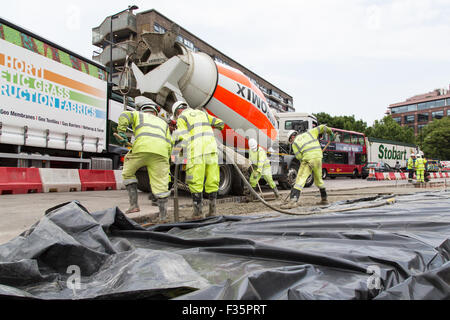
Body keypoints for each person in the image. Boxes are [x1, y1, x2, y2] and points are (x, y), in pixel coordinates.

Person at [116, 96, 172, 222]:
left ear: (142, 109)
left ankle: (134, 206)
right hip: (161, 153)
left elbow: (124, 115)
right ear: (155, 113)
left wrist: (121, 132)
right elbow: (170, 142)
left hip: (141, 149)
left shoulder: (138, 115)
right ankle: (163, 217)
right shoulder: (163, 123)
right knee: (161, 185)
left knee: (128, 172)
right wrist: (166, 159)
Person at [172, 101, 225, 219]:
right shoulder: (202, 114)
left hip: (196, 152)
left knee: (195, 181)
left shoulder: (182, 117)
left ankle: (198, 213)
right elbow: (220, 123)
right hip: (211, 150)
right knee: (213, 181)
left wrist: (175, 153)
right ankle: (212, 212)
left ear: (177, 112)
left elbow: (182, 137)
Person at [281, 124, 333, 209]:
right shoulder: (310, 133)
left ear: (292, 138)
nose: (291, 142)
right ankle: (324, 199)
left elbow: (299, 157)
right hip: (318, 157)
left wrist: (304, 163)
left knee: (300, 180)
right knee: (319, 179)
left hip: (308, 159)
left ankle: (293, 201)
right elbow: (322, 127)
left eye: (290, 140)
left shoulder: (295, 143)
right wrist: (330, 133)